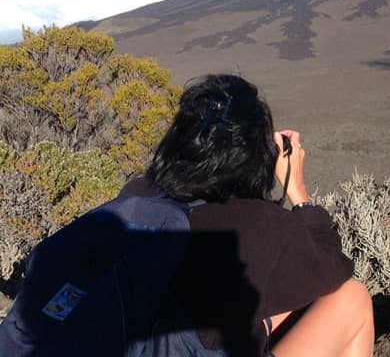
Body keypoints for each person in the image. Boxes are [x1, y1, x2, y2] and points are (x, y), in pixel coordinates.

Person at [121, 74, 374, 356]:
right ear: (256, 151)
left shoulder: (135, 194)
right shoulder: (253, 223)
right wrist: (298, 194)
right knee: (352, 298)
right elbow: (332, 267)